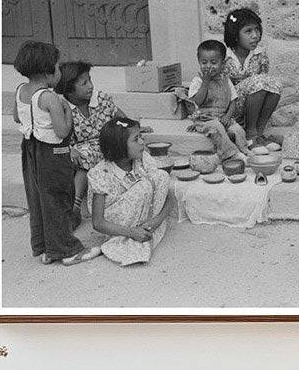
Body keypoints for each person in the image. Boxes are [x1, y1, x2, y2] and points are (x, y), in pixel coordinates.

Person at [11, 40, 83, 265]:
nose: (60, 70)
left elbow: (16, 117)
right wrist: (68, 111)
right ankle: (66, 250)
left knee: (38, 198)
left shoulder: (21, 90)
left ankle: (45, 248)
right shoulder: (50, 97)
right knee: (58, 198)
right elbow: (62, 132)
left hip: (30, 148)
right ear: (48, 71)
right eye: (58, 66)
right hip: (53, 152)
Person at [79, 117, 176, 266]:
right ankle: (128, 235)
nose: (142, 142)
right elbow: (98, 223)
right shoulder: (101, 173)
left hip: (145, 219)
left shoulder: (143, 159)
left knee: (162, 177)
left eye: (141, 137)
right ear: (119, 146)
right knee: (147, 186)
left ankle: (144, 228)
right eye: (136, 139)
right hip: (115, 223)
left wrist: (156, 221)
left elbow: (169, 195)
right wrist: (132, 233)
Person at [56, 60, 145, 214]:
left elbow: (120, 118)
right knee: (84, 156)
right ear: (69, 90)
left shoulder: (101, 99)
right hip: (80, 152)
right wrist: (70, 149)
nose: (90, 85)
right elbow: (58, 135)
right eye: (84, 83)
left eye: (90, 80)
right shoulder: (63, 108)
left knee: (132, 145)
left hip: (107, 141)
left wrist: (134, 128)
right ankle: (75, 206)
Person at [174, 39, 250, 162]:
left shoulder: (226, 80)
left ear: (223, 63)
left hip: (222, 117)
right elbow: (197, 102)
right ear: (199, 62)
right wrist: (205, 82)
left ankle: (244, 149)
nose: (208, 66)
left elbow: (233, 101)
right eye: (204, 62)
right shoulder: (197, 81)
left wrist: (228, 116)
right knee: (217, 128)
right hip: (205, 120)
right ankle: (231, 154)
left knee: (237, 129)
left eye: (213, 62)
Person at [222, 8, 282, 145]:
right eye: (248, 31)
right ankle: (250, 134)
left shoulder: (260, 55)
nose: (255, 35)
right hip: (229, 109)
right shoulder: (224, 57)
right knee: (259, 82)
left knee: (275, 85)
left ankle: (258, 133)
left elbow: (265, 88)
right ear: (235, 35)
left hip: (251, 109)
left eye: (257, 30)